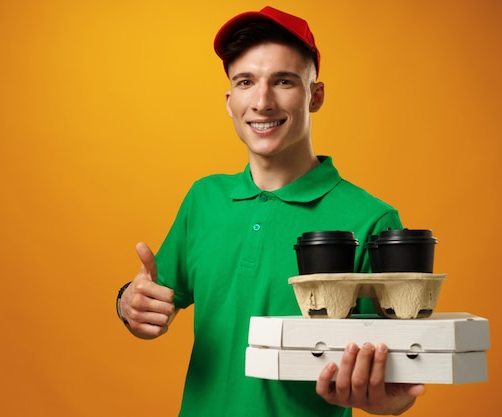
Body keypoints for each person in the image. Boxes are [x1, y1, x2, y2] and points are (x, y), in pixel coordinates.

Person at [116, 5, 425, 416]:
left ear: (315, 96)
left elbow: (401, 383)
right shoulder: (203, 199)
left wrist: (386, 399)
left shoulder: (372, 220)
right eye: (246, 82)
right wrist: (127, 303)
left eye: (283, 81)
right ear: (230, 101)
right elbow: (153, 303)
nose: (262, 102)